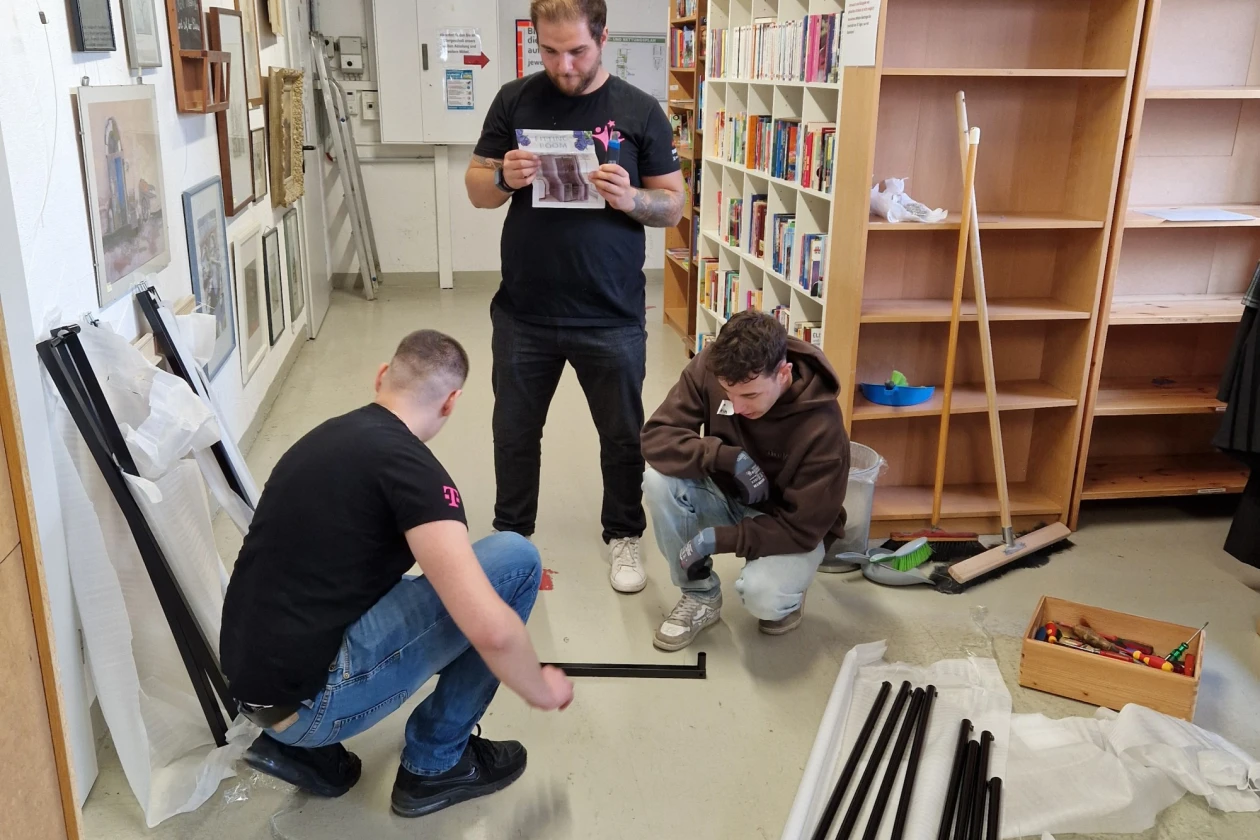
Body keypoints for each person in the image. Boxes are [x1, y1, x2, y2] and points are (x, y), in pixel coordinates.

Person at [220, 330, 574, 820]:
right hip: (310, 704)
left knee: (374, 580)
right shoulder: (418, 476)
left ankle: (301, 752)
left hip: (252, 687)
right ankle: (437, 764)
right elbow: (490, 629)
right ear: (450, 402)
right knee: (514, 560)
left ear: (382, 375)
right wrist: (538, 685)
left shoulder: (324, 438)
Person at [465, 0, 685, 595]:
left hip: (611, 314)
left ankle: (624, 534)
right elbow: (477, 190)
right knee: (514, 434)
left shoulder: (639, 110)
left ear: (603, 37)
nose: (564, 65)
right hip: (524, 311)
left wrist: (632, 199)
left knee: (622, 435)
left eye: (577, 51)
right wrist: (503, 178)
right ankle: (512, 544)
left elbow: (673, 205)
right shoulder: (513, 100)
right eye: (550, 51)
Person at [640, 312, 851, 651]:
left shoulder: (823, 426)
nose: (737, 407)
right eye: (728, 393)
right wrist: (724, 457)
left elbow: (803, 529)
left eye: (750, 395)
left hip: (788, 523)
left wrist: (719, 539)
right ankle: (700, 596)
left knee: (763, 597)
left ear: (784, 373)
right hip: (725, 494)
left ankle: (788, 593)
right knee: (657, 481)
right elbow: (655, 437)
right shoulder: (712, 364)